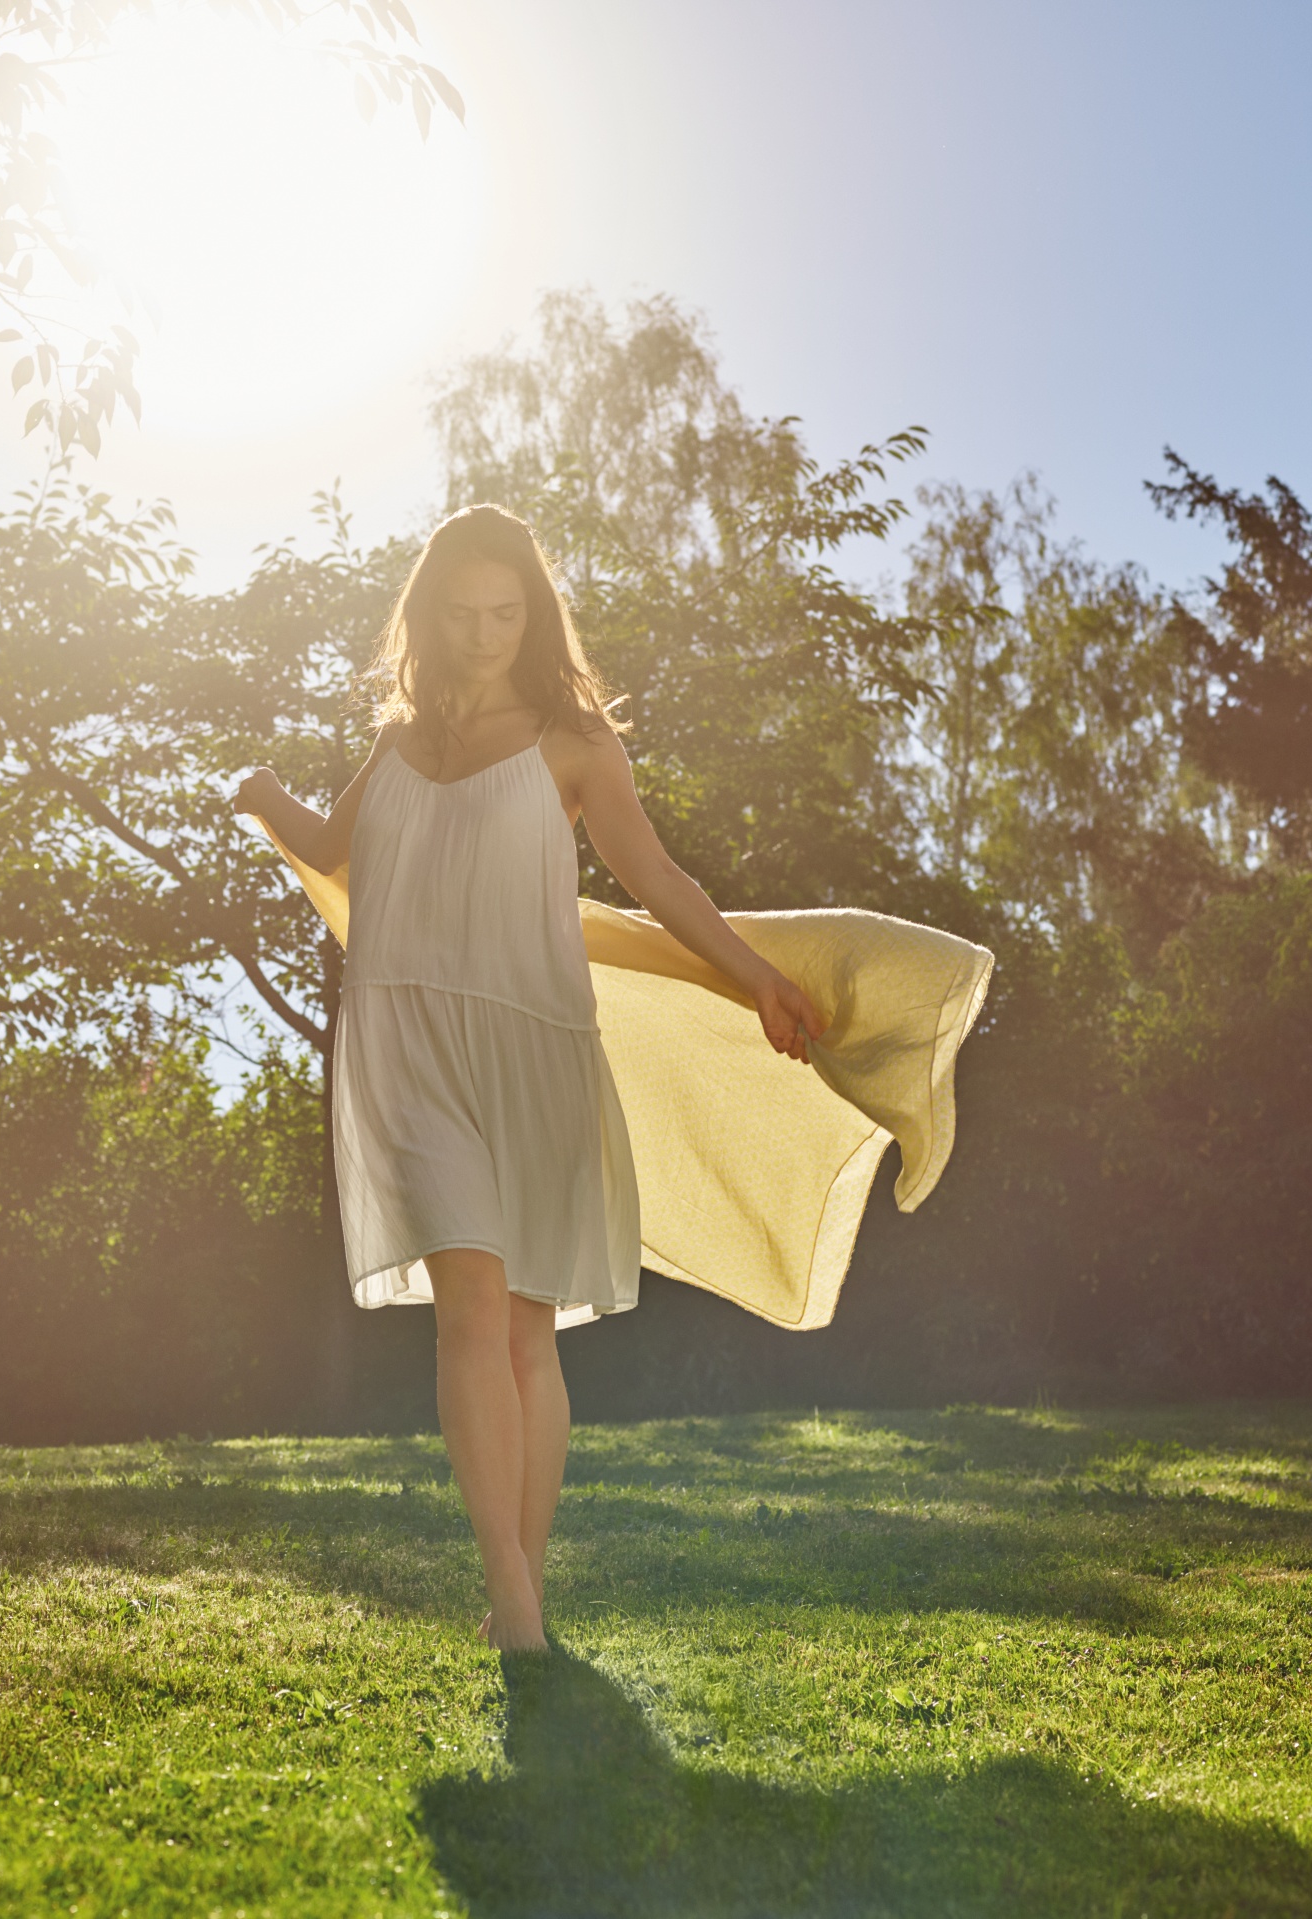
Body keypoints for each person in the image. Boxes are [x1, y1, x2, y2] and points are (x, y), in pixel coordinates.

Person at [230, 504, 828, 1652]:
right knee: (466, 1313)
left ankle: (525, 1578)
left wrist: (755, 974)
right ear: (427, 613)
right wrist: (261, 792)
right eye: (462, 613)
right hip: (409, 1049)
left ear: (533, 613)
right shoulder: (398, 741)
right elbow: (334, 848)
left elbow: (657, 876)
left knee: (522, 1334)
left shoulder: (575, 743)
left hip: (539, 1048)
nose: (484, 632)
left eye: (507, 612)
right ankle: (510, 1596)